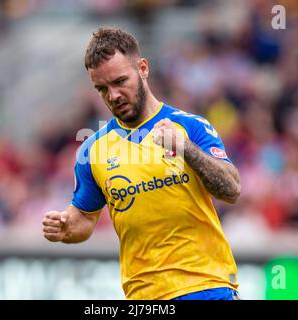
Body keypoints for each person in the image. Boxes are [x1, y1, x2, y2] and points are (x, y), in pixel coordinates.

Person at [42, 27, 241, 300]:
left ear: (143, 68)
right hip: (143, 296)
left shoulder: (189, 127)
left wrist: (185, 149)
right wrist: (66, 227)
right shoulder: (93, 150)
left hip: (206, 286)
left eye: (120, 81)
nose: (113, 96)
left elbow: (231, 189)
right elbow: (84, 218)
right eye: (102, 89)